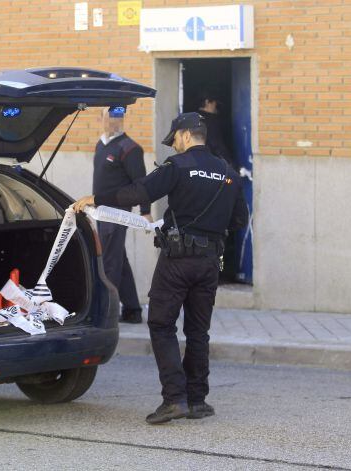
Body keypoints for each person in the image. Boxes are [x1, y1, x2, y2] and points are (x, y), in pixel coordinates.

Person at [73, 112, 248, 425]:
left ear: (183, 135)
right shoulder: (227, 172)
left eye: (175, 140)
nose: (175, 146)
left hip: (177, 262)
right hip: (209, 264)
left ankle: (174, 399)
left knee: (160, 323)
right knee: (198, 331)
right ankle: (197, 400)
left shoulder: (178, 167)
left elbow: (138, 191)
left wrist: (96, 199)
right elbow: (239, 221)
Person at [92, 106, 151, 324]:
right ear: (101, 118)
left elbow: (142, 183)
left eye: (118, 117)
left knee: (109, 262)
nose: (113, 121)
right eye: (109, 116)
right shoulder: (101, 144)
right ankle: (133, 311)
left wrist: (146, 212)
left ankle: (108, 313)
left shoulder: (130, 148)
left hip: (117, 214)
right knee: (118, 259)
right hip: (101, 213)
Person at [197, 90, 235, 170]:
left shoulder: (192, 119)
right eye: (215, 103)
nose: (215, 107)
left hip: (196, 163)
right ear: (207, 102)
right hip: (211, 164)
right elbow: (217, 145)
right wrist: (229, 163)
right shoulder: (211, 121)